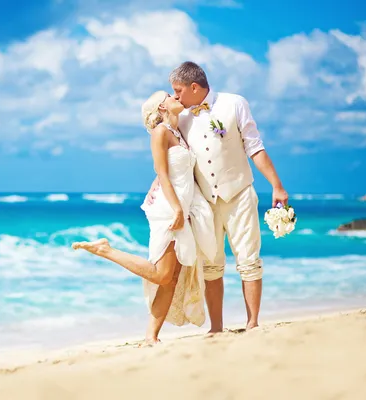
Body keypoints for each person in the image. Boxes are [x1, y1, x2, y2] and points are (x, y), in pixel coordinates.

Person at [146, 61, 289, 333]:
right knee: (212, 266)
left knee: (248, 259)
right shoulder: (181, 119)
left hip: (239, 194)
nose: (175, 96)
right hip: (205, 204)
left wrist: (277, 185)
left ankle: (253, 323)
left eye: (178, 90)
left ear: (195, 87)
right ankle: (216, 328)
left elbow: (255, 148)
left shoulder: (235, 103)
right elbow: (172, 161)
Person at [72, 90, 216, 345]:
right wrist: (177, 210)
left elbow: (172, 169)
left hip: (181, 204)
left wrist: (182, 204)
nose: (175, 96)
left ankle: (151, 336)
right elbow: (162, 172)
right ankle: (106, 250)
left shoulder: (178, 132)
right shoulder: (161, 132)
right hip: (168, 208)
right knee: (162, 275)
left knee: (171, 276)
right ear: (161, 107)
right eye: (169, 96)